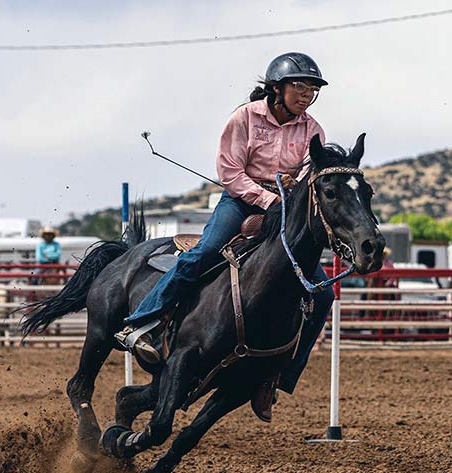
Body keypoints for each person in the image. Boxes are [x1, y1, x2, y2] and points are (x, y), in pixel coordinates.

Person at [115, 52, 334, 422]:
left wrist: (291, 199)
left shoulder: (313, 131)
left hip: (285, 207)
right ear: (276, 89)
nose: (307, 94)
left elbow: (311, 176)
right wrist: (268, 199)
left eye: (312, 89)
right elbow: (230, 172)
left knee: (322, 291)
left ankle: (276, 377)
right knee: (203, 253)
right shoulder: (244, 118)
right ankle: (144, 323)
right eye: (300, 86)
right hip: (241, 200)